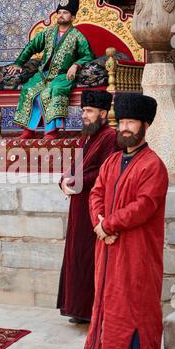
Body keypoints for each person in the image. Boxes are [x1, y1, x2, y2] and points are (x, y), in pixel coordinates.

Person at [84, 93, 169, 349]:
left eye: (131, 122)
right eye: (121, 122)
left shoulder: (153, 165)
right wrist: (99, 222)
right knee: (111, 300)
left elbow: (144, 206)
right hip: (107, 246)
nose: (125, 128)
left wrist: (108, 224)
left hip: (137, 249)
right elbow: (96, 193)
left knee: (137, 303)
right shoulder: (111, 161)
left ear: (145, 125)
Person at [57, 90, 118, 324]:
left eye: (89, 111)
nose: (85, 115)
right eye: (83, 110)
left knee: (87, 257)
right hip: (78, 205)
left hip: (94, 208)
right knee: (76, 256)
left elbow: (106, 171)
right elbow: (77, 168)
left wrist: (75, 182)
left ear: (103, 113)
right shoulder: (89, 136)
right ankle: (76, 308)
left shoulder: (110, 137)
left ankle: (89, 309)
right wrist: (64, 180)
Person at [8, 0, 94, 140]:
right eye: (59, 12)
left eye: (65, 13)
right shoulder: (47, 33)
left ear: (72, 17)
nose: (61, 15)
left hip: (62, 75)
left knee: (51, 91)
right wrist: (19, 63)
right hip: (44, 74)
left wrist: (75, 65)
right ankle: (29, 130)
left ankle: (51, 131)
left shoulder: (77, 36)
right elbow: (31, 47)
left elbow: (89, 55)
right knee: (29, 89)